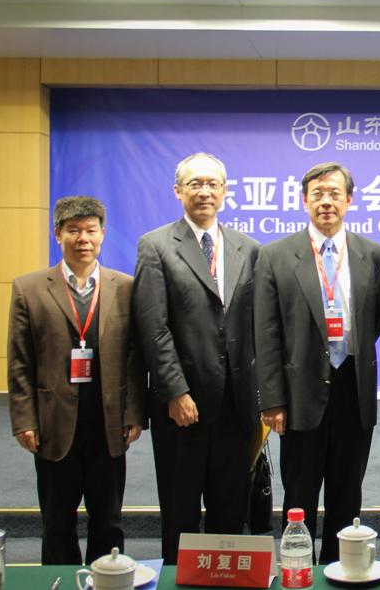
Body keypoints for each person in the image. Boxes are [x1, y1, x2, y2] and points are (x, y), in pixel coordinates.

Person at [254, 162, 380, 564]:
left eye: (334, 193)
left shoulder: (374, 255)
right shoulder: (275, 255)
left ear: (350, 200)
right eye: (317, 194)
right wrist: (272, 400)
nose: (326, 201)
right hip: (299, 393)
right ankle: (298, 568)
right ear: (304, 200)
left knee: (348, 492)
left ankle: (340, 566)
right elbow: (266, 332)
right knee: (299, 492)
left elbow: (377, 321)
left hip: (353, 389)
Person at [134, 152, 261, 563]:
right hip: (182, 407)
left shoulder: (249, 249)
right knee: (180, 512)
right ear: (178, 191)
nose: (204, 191)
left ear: (225, 191)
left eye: (212, 184)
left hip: (236, 408)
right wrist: (175, 391)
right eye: (195, 184)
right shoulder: (156, 246)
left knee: (230, 512)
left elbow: (257, 326)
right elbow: (153, 327)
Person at [7, 196, 145, 564]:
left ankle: (107, 581)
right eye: (73, 230)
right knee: (57, 522)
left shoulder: (125, 287)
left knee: (108, 521)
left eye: (90, 230)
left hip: (108, 423)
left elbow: (135, 357)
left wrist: (134, 412)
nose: (83, 238)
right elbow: (19, 362)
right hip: (52, 423)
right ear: (58, 234)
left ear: (102, 234)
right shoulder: (29, 288)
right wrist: (24, 420)